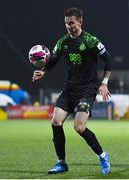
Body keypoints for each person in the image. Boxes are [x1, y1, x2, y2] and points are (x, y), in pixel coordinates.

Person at [32, 7, 111, 175]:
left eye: (72, 23)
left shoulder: (90, 40)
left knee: (79, 127)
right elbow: (53, 59)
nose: (69, 27)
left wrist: (104, 83)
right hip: (69, 89)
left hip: (87, 90)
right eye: (66, 24)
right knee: (55, 122)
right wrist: (43, 71)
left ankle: (103, 156)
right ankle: (61, 162)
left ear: (80, 22)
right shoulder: (63, 42)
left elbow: (108, 59)